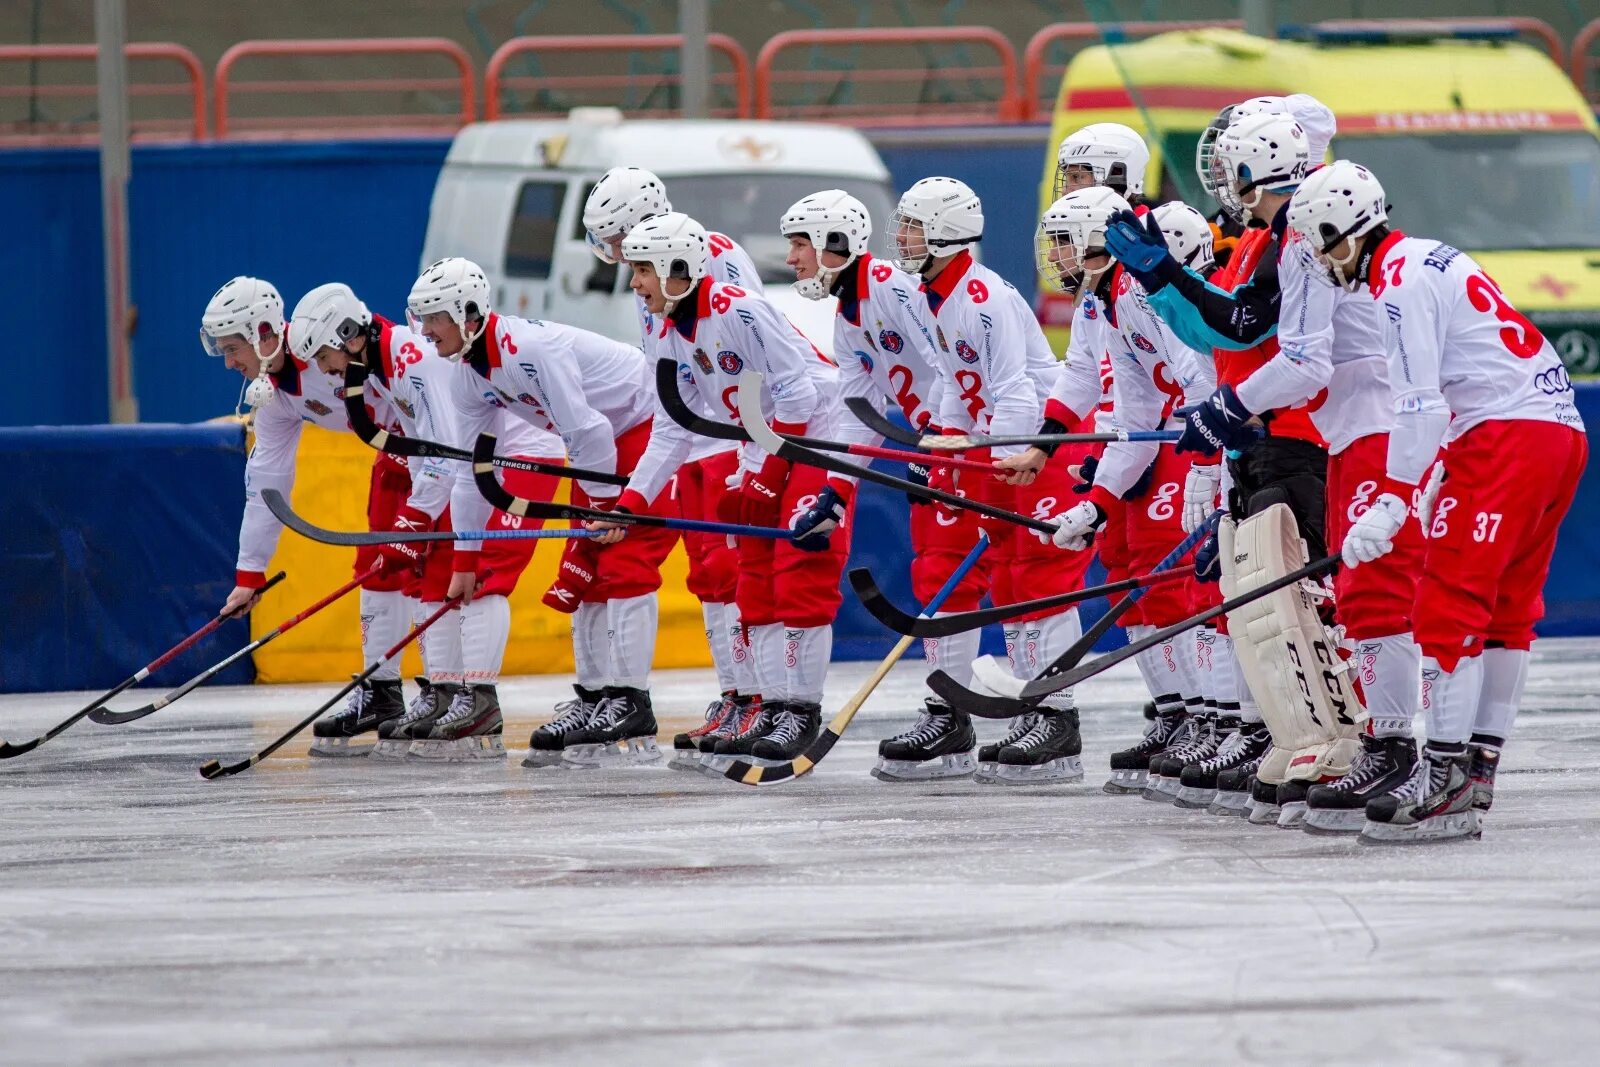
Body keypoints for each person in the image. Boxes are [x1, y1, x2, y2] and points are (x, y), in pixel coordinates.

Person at [1290, 160, 1587, 842]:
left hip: (1504, 433)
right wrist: (1428, 479)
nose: (1315, 256)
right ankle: (1477, 767)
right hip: (1555, 429)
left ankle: (1446, 775)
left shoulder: (1396, 280)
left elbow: (1417, 401)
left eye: (1318, 240)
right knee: (1507, 609)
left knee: (1447, 602)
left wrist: (1392, 500)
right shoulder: (1427, 258)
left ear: (1346, 233)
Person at [1106, 101, 1336, 824]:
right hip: (1260, 433)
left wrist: (1166, 276)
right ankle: (1289, 729)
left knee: (1307, 601)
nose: (1216, 172)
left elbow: (1247, 326)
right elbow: (1217, 335)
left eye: (1229, 154)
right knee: (1261, 601)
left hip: (1298, 433)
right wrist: (1160, 281)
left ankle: (1340, 736)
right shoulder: (1258, 237)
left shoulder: (1298, 233)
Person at [602, 211, 852, 771]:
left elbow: (798, 401)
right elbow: (673, 427)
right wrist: (633, 502)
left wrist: (764, 472)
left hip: (818, 435)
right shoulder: (669, 328)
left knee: (798, 569)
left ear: (676, 268)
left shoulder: (738, 308)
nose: (634, 282)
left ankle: (800, 710)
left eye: (643, 269)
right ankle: (768, 706)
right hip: (764, 442)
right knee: (753, 577)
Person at [402, 257, 674, 767]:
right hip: (600, 441)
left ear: (466, 315)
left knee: (621, 567)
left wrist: (602, 509)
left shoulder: (528, 350)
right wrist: (464, 562)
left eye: (434, 316)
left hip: (644, 424)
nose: (424, 329)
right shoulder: (467, 374)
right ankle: (596, 700)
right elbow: (469, 473)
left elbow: (589, 431)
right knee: (586, 578)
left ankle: (632, 703)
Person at [285, 282, 566, 761]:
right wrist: (415, 518)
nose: (325, 373)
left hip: (519, 454)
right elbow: (422, 453)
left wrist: (414, 520)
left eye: (324, 357)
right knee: (432, 575)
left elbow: (445, 453)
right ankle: (445, 692)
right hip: (475, 463)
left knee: (484, 573)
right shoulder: (381, 367)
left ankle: (479, 702)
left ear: (349, 335)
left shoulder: (413, 362)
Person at [889, 176, 1091, 784]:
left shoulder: (981, 296)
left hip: (1027, 445)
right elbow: (957, 382)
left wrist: (994, 455)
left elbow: (1014, 391)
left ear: (947, 234)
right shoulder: (934, 295)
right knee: (1006, 579)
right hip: (991, 447)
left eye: (914, 227)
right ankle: (1029, 709)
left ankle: (1057, 717)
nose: (902, 237)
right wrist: (942, 441)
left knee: (1035, 578)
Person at [780, 188, 984, 780]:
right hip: (944, 441)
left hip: (978, 437)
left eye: (800, 243)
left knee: (981, 574)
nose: (791, 258)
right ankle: (952, 715)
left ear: (834, 244)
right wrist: (836, 492)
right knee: (937, 572)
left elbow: (949, 367)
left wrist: (937, 442)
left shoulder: (893, 289)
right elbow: (857, 409)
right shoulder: (849, 309)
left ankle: (980, 717)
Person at [1035, 188, 1219, 796]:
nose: (1057, 253)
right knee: (1143, 582)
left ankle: (1213, 720)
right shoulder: (1108, 299)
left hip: (1212, 434)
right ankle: (1182, 715)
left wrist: (1206, 464)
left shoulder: (1140, 292)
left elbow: (1202, 377)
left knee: (1180, 587)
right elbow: (1135, 410)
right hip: (1176, 433)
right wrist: (1098, 500)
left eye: (1067, 239)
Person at [582, 166, 760, 767]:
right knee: (709, 577)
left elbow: (752, 357)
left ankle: (759, 699)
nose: (618, 262)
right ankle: (735, 695)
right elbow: (669, 383)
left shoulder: (713, 258)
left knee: (734, 574)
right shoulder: (649, 281)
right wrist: (640, 489)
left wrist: (751, 446)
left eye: (618, 241)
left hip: (732, 439)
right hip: (692, 442)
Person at [202, 276, 412, 755]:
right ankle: (383, 694)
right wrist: (249, 574)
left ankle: (454, 692)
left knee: (429, 572)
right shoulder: (274, 395)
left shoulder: (326, 341)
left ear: (264, 332)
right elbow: (267, 488)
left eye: (233, 349)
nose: (229, 362)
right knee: (376, 569)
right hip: (396, 454)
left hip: (440, 446)